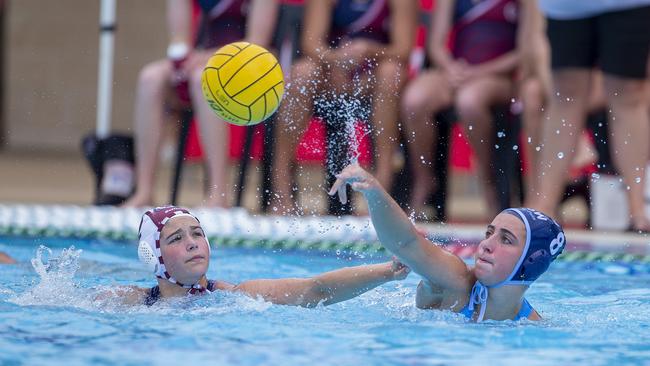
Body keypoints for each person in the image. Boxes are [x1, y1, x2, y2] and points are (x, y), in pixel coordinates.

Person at [329, 164, 565, 321]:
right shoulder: (457, 280)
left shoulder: (533, 324)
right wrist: (373, 190)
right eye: (489, 233)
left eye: (506, 240)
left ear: (531, 262)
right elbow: (404, 243)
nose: (486, 245)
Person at [123, 0, 279, 208]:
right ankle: (144, 191)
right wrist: (182, 58)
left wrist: (205, 57)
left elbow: (256, 42)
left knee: (202, 81)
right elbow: (179, 40)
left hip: (252, 70)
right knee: (150, 79)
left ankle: (218, 193)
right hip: (205, 62)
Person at [270, 0, 417, 214]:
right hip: (333, 73)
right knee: (301, 74)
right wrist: (336, 59)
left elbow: (403, 49)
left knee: (390, 74)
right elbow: (311, 43)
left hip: (375, 74)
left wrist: (369, 50)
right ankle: (281, 186)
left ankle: (381, 187)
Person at [103, 205, 409, 306]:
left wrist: (386, 271)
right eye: (176, 238)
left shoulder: (235, 296)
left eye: (197, 234)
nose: (193, 243)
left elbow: (314, 289)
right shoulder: (128, 300)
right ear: (152, 256)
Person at [525, 0, 650, 232]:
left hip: (627, 4)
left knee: (629, 95)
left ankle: (638, 209)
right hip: (569, 6)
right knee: (564, 95)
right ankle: (545, 204)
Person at [401, 0, 530, 217]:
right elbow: (436, 44)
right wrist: (450, 67)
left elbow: (526, 51)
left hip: (500, 78)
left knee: (469, 101)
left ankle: (488, 179)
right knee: (415, 99)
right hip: (458, 72)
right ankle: (425, 178)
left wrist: (481, 71)